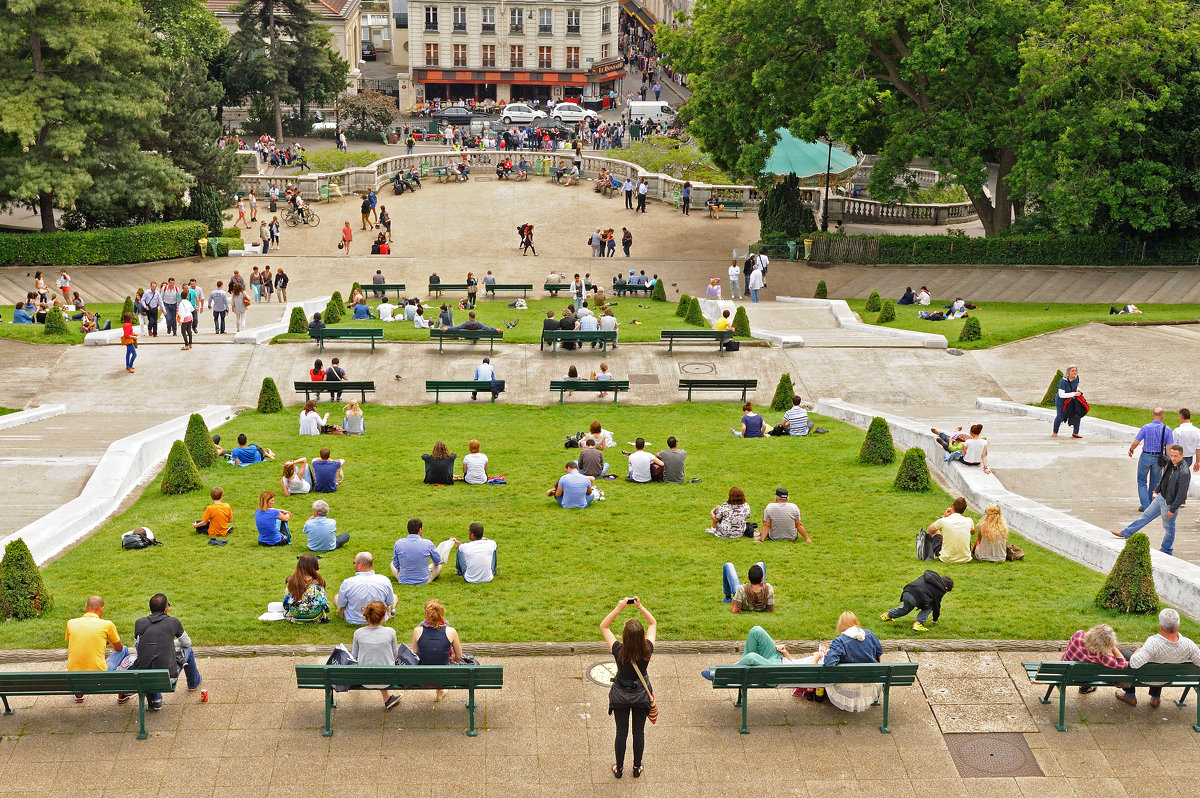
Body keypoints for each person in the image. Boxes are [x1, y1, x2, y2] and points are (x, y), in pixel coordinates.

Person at [600, 597, 656, 779]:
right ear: (641, 638)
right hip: (641, 696)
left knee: (621, 732)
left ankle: (619, 769)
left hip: (620, 696)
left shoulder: (618, 650)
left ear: (624, 636)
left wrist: (619, 608)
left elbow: (604, 626)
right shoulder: (647, 649)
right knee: (639, 732)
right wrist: (640, 606)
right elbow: (653, 623)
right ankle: (637, 767)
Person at [1113, 444, 1189, 555]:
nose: (1173, 458)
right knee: (1145, 516)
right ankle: (1126, 533)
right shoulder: (1170, 463)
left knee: (1169, 527)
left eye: (1175, 456)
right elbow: (1164, 479)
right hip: (1160, 498)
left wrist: (1172, 509)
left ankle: (1166, 549)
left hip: (1169, 503)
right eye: (1171, 455)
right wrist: (1157, 491)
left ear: (1182, 455)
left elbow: (1182, 494)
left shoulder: (1184, 472)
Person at [131, 593, 203, 709]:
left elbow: (140, 647)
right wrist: (170, 642)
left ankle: (156, 699)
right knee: (187, 650)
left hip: (143, 677)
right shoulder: (173, 622)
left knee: (150, 659)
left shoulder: (139, 623)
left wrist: (168, 642)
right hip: (167, 678)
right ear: (166, 608)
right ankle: (194, 682)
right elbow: (186, 643)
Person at [1117, 608, 1200, 707]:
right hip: (1167, 678)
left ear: (1161, 627)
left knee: (1123, 653)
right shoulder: (1188, 645)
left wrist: (1137, 651)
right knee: (1162, 661)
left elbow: (1134, 664)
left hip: (1146, 678)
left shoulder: (1153, 643)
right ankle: (1156, 698)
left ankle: (1130, 695)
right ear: (1179, 625)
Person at [66, 596, 131, 704]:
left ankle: (78, 692)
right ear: (101, 609)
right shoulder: (107, 625)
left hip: (74, 676)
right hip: (99, 676)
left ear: (86, 608)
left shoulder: (71, 623)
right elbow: (118, 648)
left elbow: (73, 640)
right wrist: (108, 640)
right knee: (124, 650)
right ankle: (123, 692)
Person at [352, 601, 401, 709]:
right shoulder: (390, 632)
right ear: (383, 616)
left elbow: (353, 657)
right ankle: (387, 698)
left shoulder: (358, 633)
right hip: (387, 679)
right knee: (382, 665)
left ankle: (387, 699)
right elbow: (395, 655)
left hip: (364, 680)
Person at [411, 599, 464, 699]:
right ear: (442, 614)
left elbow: (415, 653)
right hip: (444, 680)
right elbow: (459, 656)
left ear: (426, 614)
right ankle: (440, 690)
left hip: (423, 680)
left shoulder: (417, 631)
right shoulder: (451, 631)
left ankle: (440, 691)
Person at [1130, 407, 1175, 512]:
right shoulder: (1166, 429)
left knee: (1141, 481)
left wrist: (1131, 449)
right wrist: (1169, 460)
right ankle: (1152, 505)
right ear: (1162, 416)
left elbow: (1136, 442)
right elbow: (1169, 447)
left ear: (1153, 415)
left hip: (1145, 456)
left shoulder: (1146, 427)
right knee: (1155, 483)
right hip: (1158, 458)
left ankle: (1145, 505)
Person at [1061, 624, 1127, 694]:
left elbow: (1085, 635)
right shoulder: (1099, 657)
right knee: (1089, 671)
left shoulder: (1078, 635)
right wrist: (1112, 646)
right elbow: (1123, 664)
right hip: (1082, 678)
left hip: (1062, 673)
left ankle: (1085, 687)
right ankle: (1086, 686)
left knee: (1083, 666)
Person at [334, 552, 397, 625]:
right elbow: (390, 602)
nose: (354, 565)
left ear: (360, 565)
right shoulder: (384, 580)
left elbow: (342, 604)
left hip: (353, 619)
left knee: (336, 597)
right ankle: (392, 611)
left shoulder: (347, 582)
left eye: (354, 563)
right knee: (395, 596)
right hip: (379, 619)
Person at [880, 570, 953, 632]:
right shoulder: (940, 590)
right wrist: (935, 620)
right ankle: (918, 623)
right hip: (917, 597)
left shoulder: (929, 576)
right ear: (946, 587)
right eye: (946, 591)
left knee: (905, 608)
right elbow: (936, 606)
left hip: (907, 591)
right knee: (931, 605)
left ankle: (887, 615)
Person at [392, 518, 454, 584]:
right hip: (423, 580)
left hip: (404, 579)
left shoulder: (398, 543)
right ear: (420, 530)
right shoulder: (428, 543)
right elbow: (437, 561)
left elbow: (396, 564)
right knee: (439, 566)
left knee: (392, 564)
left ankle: (406, 574)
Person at [284, 554, 330, 623]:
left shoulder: (291, 581)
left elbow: (286, 602)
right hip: (314, 616)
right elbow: (325, 604)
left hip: (295, 615)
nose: (319, 567)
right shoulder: (318, 582)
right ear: (313, 567)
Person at [928, 497, 974, 563]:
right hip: (965, 558)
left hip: (946, 558)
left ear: (952, 507)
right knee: (965, 533)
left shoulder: (943, 520)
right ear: (963, 510)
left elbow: (930, 530)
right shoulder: (969, 520)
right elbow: (972, 532)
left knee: (935, 531)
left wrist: (943, 516)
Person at [1052, 365, 1083, 438]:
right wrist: (1074, 393)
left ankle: (1075, 432)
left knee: (1078, 414)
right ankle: (1055, 432)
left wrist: (1078, 390)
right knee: (1060, 416)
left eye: (1076, 370)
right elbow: (1061, 394)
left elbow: (1076, 386)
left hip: (1071, 399)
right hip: (1061, 401)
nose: (1074, 372)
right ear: (1068, 372)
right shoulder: (1063, 381)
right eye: (1073, 371)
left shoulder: (1077, 377)